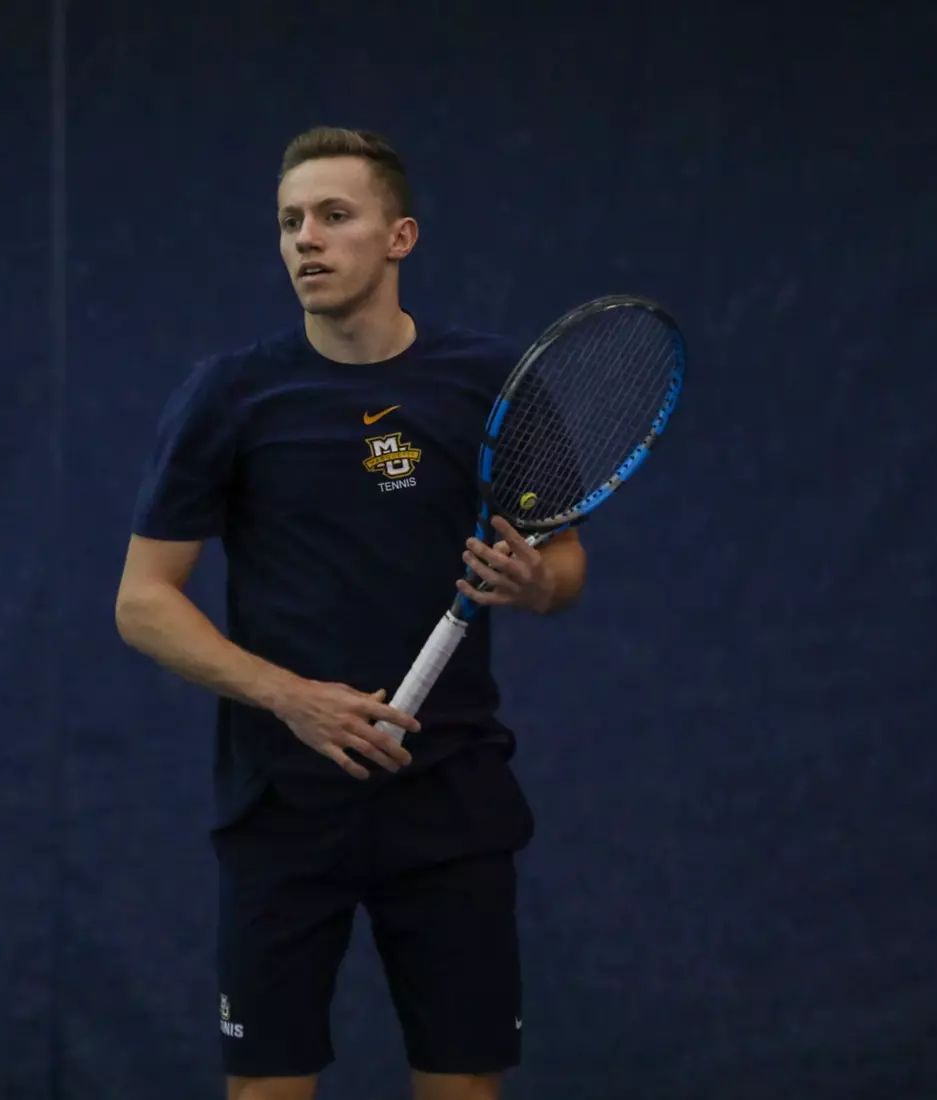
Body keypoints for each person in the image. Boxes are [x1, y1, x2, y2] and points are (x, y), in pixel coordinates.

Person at [113, 126, 589, 1100]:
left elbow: (565, 563)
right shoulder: (231, 394)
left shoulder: (491, 382)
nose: (307, 240)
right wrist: (290, 697)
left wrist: (533, 583)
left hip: (451, 797)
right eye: (290, 221)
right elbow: (143, 601)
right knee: (267, 1088)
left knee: (463, 1085)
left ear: (400, 236)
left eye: (335, 215)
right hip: (283, 805)